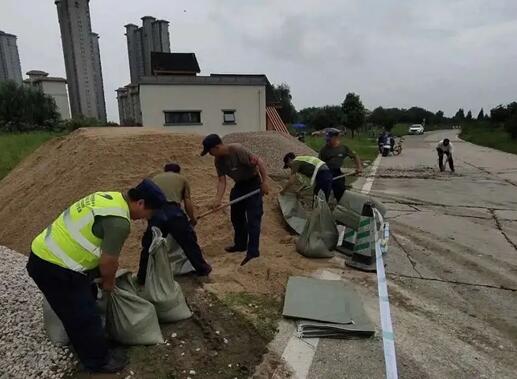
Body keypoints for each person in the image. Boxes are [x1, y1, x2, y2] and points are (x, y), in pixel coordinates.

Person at [26, 180, 166, 373]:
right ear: (140, 203)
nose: (145, 218)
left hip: (45, 253)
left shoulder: (108, 198)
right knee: (84, 315)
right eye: (148, 213)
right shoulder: (119, 222)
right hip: (55, 267)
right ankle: (98, 361)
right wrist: (109, 284)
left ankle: (87, 343)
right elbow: (108, 262)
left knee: (80, 305)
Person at [201, 134, 269, 266]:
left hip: (253, 183)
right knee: (236, 216)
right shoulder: (218, 161)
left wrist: (265, 182)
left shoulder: (237, 150)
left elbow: (259, 162)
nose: (210, 154)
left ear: (217, 147)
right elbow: (222, 181)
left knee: (253, 219)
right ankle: (240, 244)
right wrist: (218, 199)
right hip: (240, 186)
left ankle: (253, 252)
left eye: (210, 151)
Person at [137, 163, 212, 283]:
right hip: (174, 212)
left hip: (156, 211)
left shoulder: (155, 179)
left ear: (165, 171)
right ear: (178, 172)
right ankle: (202, 269)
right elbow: (187, 201)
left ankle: (142, 277)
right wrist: (192, 219)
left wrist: (150, 218)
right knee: (189, 243)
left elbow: (147, 200)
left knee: (149, 245)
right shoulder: (182, 179)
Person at [318, 129, 362, 202]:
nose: (327, 142)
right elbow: (320, 162)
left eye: (329, 140)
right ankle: (325, 206)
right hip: (327, 172)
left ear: (336, 138)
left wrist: (359, 167)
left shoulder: (343, 148)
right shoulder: (324, 150)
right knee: (324, 191)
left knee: (340, 192)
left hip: (338, 172)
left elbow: (355, 156)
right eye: (326, 140)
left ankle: (339, 205)